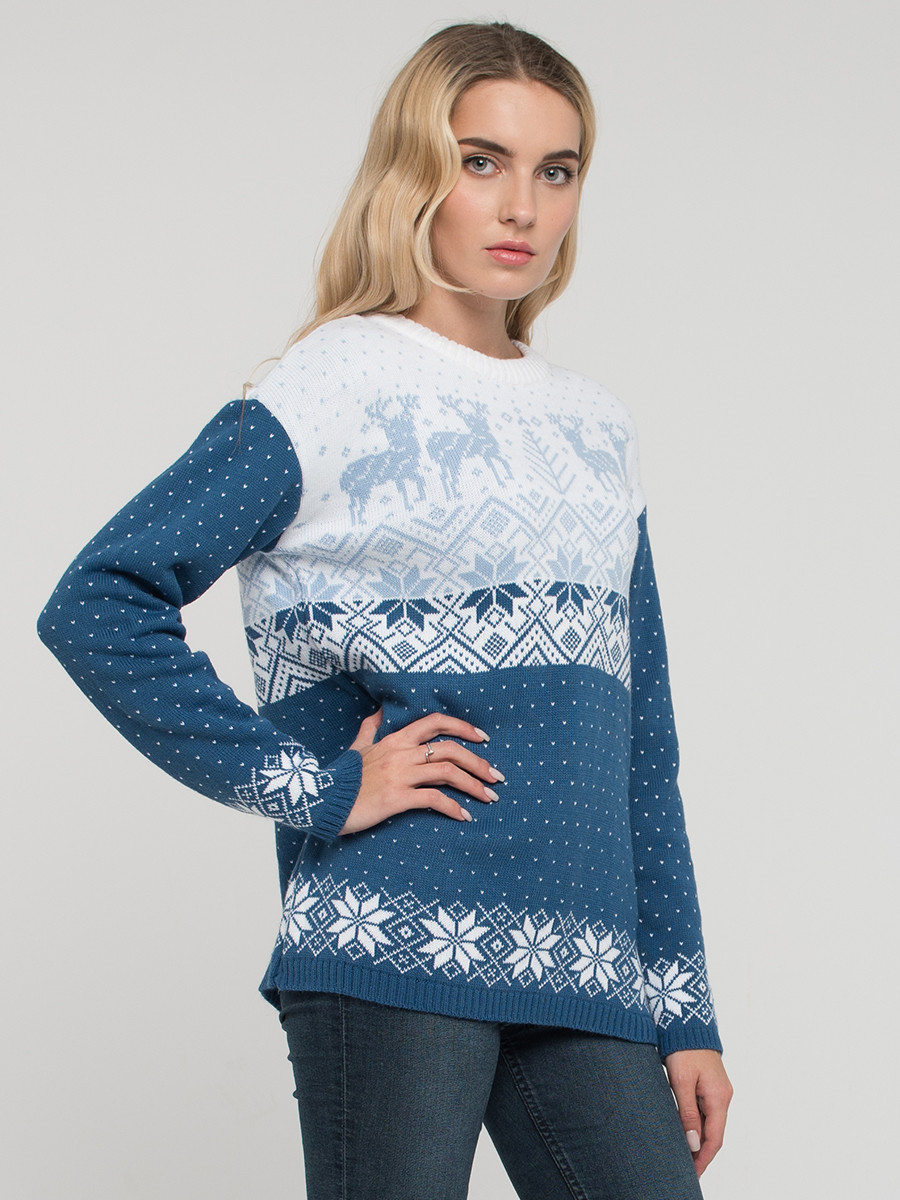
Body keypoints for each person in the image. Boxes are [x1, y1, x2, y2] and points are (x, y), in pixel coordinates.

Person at [37, 19, 732, 1200]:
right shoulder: (333, 384)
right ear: (414, 171)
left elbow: (642, 745)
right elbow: (98, 602)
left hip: (587, 964)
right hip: (392, 935)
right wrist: (316, 789)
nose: (521, 205)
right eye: (481, 161)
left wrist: (683, 1005)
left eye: (556, 170)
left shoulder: (596, 429)